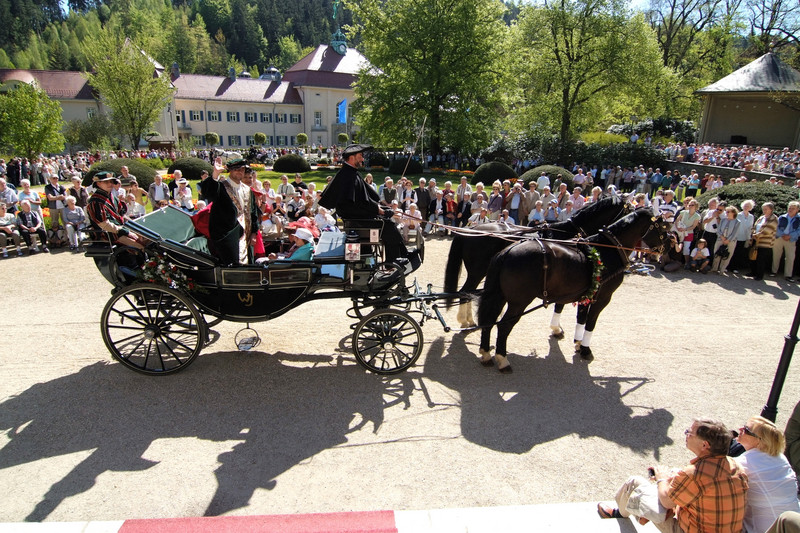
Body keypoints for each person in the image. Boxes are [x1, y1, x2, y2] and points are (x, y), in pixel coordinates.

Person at [599, 418, 748, 533]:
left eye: (689, 433)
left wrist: (661, 479)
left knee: (634, 483)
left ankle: (620, 513)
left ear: (705, 445)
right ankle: (642, 512)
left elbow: (667, 501)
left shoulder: (694, 474)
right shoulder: (736, 466)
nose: (686, 435)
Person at [318, 144, 408, 265]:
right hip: (357, 220)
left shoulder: (350, 173)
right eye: (360, 156)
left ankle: (403, 254)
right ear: (351, 158)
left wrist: (381, 207)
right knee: (389, 225)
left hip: (358, 218)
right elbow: (361, 202)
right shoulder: (348, 176)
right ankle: (393, 262)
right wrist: (380, 211)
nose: (362, 159)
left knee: (388, 222)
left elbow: (366, 198)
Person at [736, 416, 800, 533]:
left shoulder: (746, 462)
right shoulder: (780, 457)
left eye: (746, 430)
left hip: (769, 529)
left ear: (759, 440)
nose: (740, 429)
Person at [199, 158, 259, 265]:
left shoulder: (247, 189)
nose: (240, 171)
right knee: (232, 266)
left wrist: (254, 232)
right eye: (236, 169)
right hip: (228, 236)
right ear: (230, 170)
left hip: (247, 234)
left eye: (242, 169)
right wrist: (215, 175)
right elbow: (208, 193)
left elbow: (253, 213)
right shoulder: (221, 186)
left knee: (248, 265)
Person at [86, 172, 144, 250]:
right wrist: (126, 232)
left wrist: (135, 226)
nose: (110, 184)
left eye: (111, 181)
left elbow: (122, 215)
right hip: (108, 234)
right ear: (98, 184)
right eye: (106, 182)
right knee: (140, 246)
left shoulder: (112, 197)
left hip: (120, 228)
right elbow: (105, 225)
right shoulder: (95, 202)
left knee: (146, 236)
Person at [749, 203, 778, 280]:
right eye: (763, 209)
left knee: (761, 259)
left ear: (771, 209)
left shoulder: (774, 218)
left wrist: (757, 235)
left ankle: (759, 275)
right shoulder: (761, 217)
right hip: (756, 240)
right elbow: (755, 226)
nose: (764, 210)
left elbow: (768, 230)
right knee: (753, 257)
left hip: (765, 243)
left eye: (766, 209)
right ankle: (753, 272)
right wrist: (754, 233)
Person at [773, 201, 800, 282]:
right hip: (780, 238)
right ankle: (774, 271)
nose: (790, 210)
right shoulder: (782, 217)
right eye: (789, 208)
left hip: (791, 239)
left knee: (790, 257)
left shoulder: (798, 219)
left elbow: (799, 230)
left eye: (793, 208)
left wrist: (790, 236)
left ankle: (788, 275)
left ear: (797, 210)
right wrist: (782, 235)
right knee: (776, 255)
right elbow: (776, 227)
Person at [711, 206, 740, 274]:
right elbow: (718, 229)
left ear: (733, 213)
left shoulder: (737, 222)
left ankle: (722, 270)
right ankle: (714, 268)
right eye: (726, 212)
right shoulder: (723, 220)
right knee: (716, 253)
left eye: (728, 212)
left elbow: (735, 233)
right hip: (720, 239)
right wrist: (722, 237)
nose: (726, 213)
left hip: (731, 241)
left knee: (727, 255)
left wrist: (728, 240)